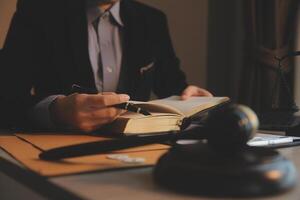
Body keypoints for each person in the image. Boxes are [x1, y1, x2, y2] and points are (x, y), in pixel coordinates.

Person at [1, 0, 212, 132]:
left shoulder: (152, 20)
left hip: (138, 152)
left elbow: (173, 86)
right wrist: (56, 112)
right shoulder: (37, 11)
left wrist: (188, 94)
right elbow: (6, 98)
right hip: (57, 150)